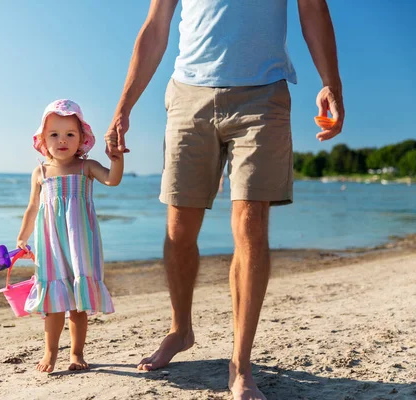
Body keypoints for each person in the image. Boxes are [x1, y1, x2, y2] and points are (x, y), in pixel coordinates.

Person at [105, 1, 344, 399]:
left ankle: (240, 362)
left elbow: (314, 10)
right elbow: (155, 26)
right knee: (179, 229)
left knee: (250, 227)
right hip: (188, 95)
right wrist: (124, 106)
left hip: (262, 97)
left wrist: (330, 82)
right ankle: (180, 330)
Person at [16, 99, 124, 373]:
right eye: (54, 134)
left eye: (70, 134)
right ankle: (50, 353)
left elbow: (112, 179)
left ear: (82, 139)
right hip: (50, 244)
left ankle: (76, 354)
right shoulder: (40, 173)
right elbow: (32, 207)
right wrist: (22, 238)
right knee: (52, 302)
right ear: (43, 139)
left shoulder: (86, 167)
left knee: (78, 302)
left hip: (80, 244)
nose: (62, 140)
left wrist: (117, 159)